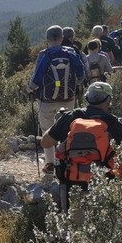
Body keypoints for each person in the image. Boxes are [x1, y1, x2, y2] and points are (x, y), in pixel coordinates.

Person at [39, 80, 122, 212]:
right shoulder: (112, 122)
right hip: (103, 184)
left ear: (87, 98)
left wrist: (59, 123)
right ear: (108, 100)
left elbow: (45, 142)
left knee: (72, 223)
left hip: (71, 184)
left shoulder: (71, 116)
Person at [28, 25, 86, 178]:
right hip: (68, 99)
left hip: (46, 101)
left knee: (47, 130)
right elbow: (81, 75)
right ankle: (67, 160)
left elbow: (37, 77)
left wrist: (30, 89)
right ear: (61, 38)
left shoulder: (44, 54)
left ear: (47, 40)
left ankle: (50, 163)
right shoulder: (71, 52)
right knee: (67, 129)